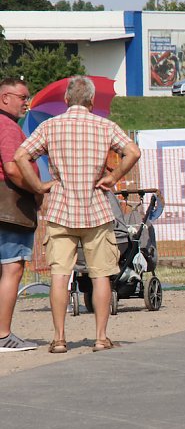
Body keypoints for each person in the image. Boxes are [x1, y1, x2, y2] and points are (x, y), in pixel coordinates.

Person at [14, 75, 141, 352]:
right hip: (96, 209)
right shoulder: (104, 126)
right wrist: (114, 176)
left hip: (61, 208)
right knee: (101, 275)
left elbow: (21, 156)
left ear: (66, 100)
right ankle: (100, 337)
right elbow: (133, 151)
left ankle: (59, 339)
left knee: (60, 275)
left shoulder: (50, 126)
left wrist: (37, 185)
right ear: (92, 101)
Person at [0, 78, 38, 352]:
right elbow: (13, 168)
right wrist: (38, 189)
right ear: (5, 98)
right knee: (12, 268)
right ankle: (3, 335)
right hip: (10, 206)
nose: (27, 102)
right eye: (23, 97)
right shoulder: (7, 126)